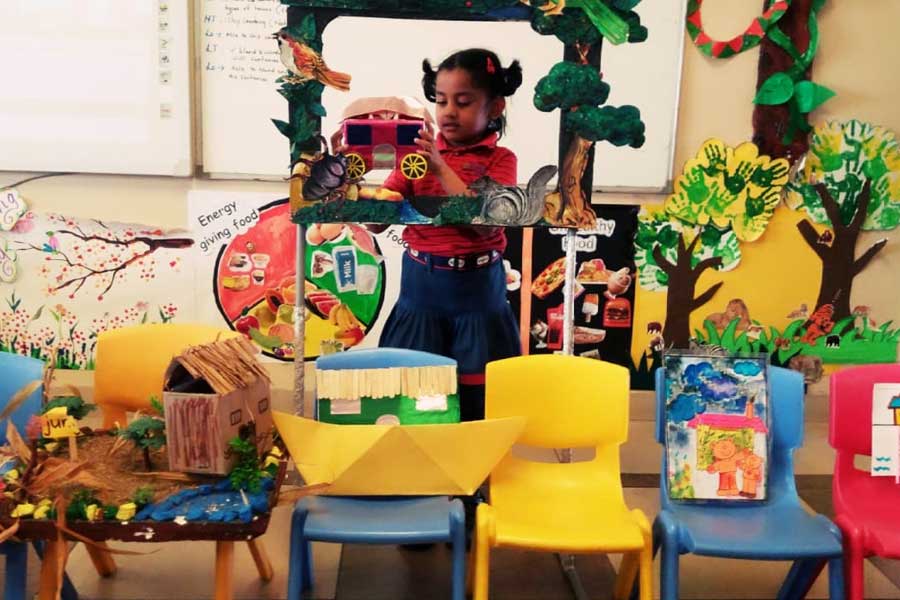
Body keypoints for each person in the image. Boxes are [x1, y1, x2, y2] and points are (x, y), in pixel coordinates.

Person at [379, 48, 524, 423]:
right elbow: (379, 218)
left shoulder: (501, 160)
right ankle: (426, 458)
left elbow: (487, 222)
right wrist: (351, 176)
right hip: (421, 289)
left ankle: (472, 458)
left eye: (463, 102)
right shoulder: (416, 154)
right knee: (417, 392)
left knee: (478, 395)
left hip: (478, 292)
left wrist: (440, 167)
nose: (448, 112)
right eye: (441, 100)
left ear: (495, 108)